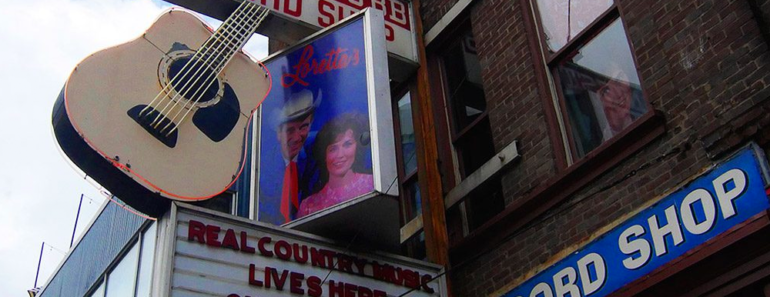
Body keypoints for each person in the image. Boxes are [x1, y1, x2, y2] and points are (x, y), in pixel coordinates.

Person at [259, 89, 321, 225]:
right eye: (290, 130)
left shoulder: (317, 151)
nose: (297, 137)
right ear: (279, 134)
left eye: (304, 127)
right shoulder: (261, 168)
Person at [297, 113, 373, 218]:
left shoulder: (372, 184)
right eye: (333, 149)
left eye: (347, 144)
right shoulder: (308, 206)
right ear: (324, 155)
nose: (340, 155)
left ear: (357, 148)